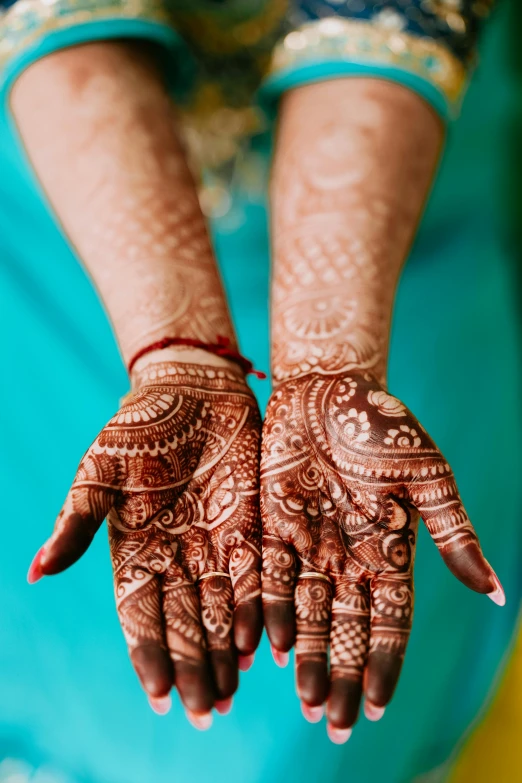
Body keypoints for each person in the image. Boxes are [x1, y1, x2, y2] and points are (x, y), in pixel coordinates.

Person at [0, 1, 520, 781]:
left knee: (290, 751)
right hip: (63, 218)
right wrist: (174, 349)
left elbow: (388, 21)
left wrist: (327, 364)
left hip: (390, 226)